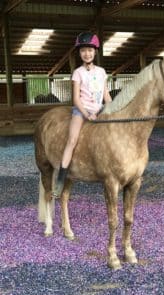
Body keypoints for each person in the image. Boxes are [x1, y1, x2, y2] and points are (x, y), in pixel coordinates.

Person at [53, 32, 112, 197]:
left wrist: (113, 108)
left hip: (100, 110)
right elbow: (76, 99)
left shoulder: (101, 72)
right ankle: (60, 180)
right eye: (84, 50)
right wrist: (87, 114)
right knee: (71, 141)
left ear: (95, 52)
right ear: (79, 53)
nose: (87, 53)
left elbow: (106, 94)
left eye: (90, 50)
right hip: (82, 110)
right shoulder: (77, 73)